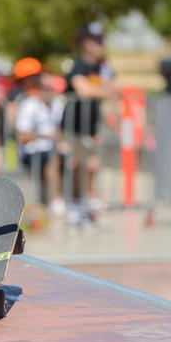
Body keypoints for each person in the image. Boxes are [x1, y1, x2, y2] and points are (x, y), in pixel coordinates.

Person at [61, 22, 115, 224]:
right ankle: (76, 203)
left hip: (91, 125)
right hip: (75, 125)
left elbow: (112, 89)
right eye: (95, 40)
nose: (100, 44)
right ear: (85, 43)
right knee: (79, 164)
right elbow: (83, 90)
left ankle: (86, 199)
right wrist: (103, 90)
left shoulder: (101, 67)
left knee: (91, 165)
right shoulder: (79, 65)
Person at [14, 58, 64, 206]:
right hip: (32, 150)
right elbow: (22, 136)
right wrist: (46, 136)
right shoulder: (28, 104)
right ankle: (56, 201)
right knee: (52, 159)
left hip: (50, 148)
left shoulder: (58, 104)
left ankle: (74, 200)